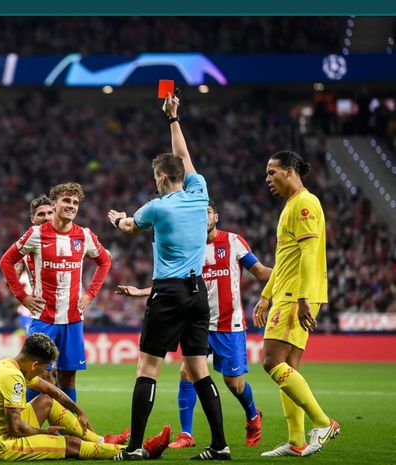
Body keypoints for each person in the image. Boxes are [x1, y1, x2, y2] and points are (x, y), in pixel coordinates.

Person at [107, 93, 230, 461]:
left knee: (147, 368)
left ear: (161, 177)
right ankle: (220, 444)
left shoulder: (156, 208)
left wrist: (117, 219)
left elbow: (130, 227)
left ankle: (133, 448)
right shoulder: (199, 193)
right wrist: (173, 119)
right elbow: (186, 158)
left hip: (168, 293)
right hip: (198, 293)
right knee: (199, 370)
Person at [117, 199, 272, 449]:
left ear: (216, 216)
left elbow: (261, 272)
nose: (204, 217)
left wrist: (292, 277)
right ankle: (187, 435)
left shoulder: (233, 242)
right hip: (196, 321)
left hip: (228, 324)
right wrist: (141, 292)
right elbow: (173, 282)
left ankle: (253, 414)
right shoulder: (191, 246)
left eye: (208, 212)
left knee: (234, 383)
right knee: (187, 372)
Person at [253, 151, 340, 457]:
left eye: (272, 172)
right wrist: (266, 295)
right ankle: (296, 441)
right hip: (288, 293)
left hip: (295, 296)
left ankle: (323, 422)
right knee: (289, 368)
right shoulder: (292, 205)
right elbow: (286, 260)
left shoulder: (304, 203)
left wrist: (302, 297)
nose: (268, 180)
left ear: (289, 171)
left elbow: (309, 253)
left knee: (271, 361)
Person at [0, 332, 170, 461]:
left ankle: (101, 441)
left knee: (47, 401)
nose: (43, 373)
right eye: (43, 368)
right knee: (71, 444)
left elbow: (50, 390)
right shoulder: (12, 376)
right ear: (34, 364)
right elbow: (15, 428)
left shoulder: (8, 364)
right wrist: (43, 432)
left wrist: (79, 410)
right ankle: (134, 452)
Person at [0, 182, 111, 404]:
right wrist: (22, 296)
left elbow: (105, 261)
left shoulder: (85, 235)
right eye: (66, 201)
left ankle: (67, 430)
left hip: (72, 318)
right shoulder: (36, 234)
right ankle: (27, 424)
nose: (71, 205)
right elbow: (6, 261)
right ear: (55, 203)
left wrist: (90, 294)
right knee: (36, 375)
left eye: (75, 202)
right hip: (43, 318)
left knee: (68, 377)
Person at [14, 195, 54, 333]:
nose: (46, 217)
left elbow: (102, 258)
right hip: (41, 314)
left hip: (69, 314)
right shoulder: (26, 245)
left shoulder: (71, 237)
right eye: (41, 214)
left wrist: (89, 295)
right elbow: (11, 277)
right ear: (33, 219)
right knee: (36, 353)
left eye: (50, 213)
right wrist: (23, 297)